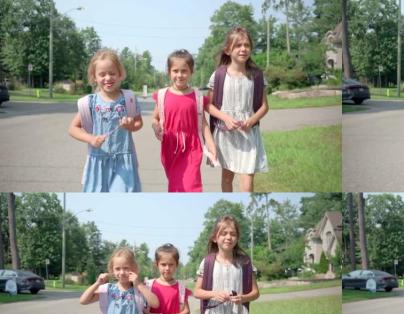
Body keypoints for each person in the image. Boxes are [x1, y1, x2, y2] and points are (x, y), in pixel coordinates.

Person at [69, 49, 143, 192]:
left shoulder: (128, 99)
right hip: (97, 161)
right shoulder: (90, 102)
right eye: (102, 74)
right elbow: (73, 128)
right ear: (94, 77)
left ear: (120, 74)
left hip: (124, 162)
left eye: (112, 73)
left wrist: (131, 125)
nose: (108, 78)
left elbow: (139, 123)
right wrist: (90, 138)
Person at [206, 27, 269, 192]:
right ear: (228, 50)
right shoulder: (218, 75)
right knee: (227, 177)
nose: (243, 49)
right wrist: (225, 118)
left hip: (248, 133)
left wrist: (252, 120)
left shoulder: (257, 76)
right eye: (238, 45)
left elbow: (264, 106)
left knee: (247, 179)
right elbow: (208, 105)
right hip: (225, 134)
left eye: (247, 45)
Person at [151, 50, 218, 192]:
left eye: (184, 71)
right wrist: (156, 127)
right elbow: (155, 118)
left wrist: (211, 143)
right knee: (176, 184)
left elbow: (203, 123)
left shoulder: (197, 97)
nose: (179, 75)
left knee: (191, 184)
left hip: (192, 147)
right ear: (169, 71)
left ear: (191, 71)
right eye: (175, 71)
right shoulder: (162, 95)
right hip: (169, 146)